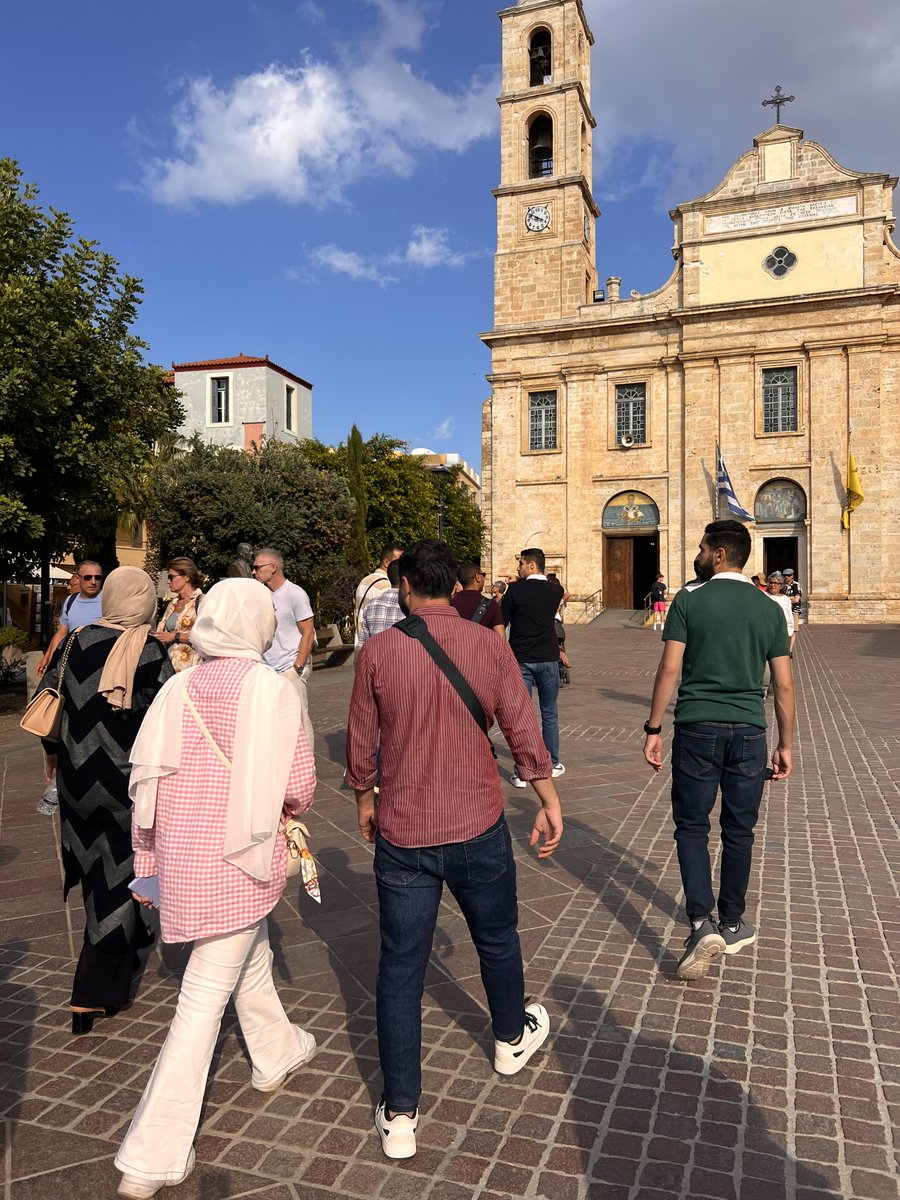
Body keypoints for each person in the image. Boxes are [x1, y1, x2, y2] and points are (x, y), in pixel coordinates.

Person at [345, 541, 563, 1161]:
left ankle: (402, 1111)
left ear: (408, 586)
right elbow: (523, 730)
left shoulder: (379, 652)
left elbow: (363, 741)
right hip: (476, 821)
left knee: (400, 967)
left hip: (405, 829)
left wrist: (365, 800)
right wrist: (547, 799)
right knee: (496, 938)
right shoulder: (489, 644)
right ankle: (509, 1038)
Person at [115, 579, 317, 1200]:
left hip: (181, 860)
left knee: (247, 955)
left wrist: (145, 865)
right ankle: (151, 1154)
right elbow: (299, 787)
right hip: (239, 860)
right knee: (201, 1001)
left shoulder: (177, 687)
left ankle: (276, 1048)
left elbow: (146, 784)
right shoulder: (272, 689)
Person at [642, 520, 795, 981]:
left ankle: (700, 920)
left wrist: (653, 727)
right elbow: (783, 686)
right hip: (750, 731)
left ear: (721, 555)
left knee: (691, 825)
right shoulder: (769, 608)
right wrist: (785, 744)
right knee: (739, 829)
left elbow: (669, 669)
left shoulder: (690, 599)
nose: (700, 554)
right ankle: (731, 921)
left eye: (704, 548)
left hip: (697, 727)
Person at [36, 567, 173, 1032]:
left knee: (98, 869)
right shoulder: (150, 650)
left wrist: (55, 761)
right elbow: (167, 723)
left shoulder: (74, 642)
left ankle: (132, 945)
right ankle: (91, 992)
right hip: (125, 784)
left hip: (76, 780)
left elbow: (47, 703)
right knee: (119, 874)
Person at [501, 548, 566, 785]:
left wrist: (515, 585)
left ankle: (523, 769)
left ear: (530, 565)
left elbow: (502, 619)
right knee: (549, 712)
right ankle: (553, 762)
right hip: (548, 657)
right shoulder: (555, 590)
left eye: (520, 564)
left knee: (522, 716)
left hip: (521, 658)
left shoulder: (515, 591)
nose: (517, 568)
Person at [252, 549, 316, 756]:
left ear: (273, 567)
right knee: (270, 721)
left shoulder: (295, 594)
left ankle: (307, 766)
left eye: (257, 567)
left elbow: (308, 631)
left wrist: (297, 667)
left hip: (289, 667)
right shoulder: (260, 594)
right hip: (266, 669)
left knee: (298, 719)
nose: (253, 572)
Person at [37, 560, 104, 675]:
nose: (93, 582)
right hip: (72, 666)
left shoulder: (109, 600)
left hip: (100, 667)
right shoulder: (70, 601)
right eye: (88, 577)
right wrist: (50, 660)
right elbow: (61, 633)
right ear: (79, 578)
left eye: (97, 577)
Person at [154, 558, 204, 671]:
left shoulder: (202, 602)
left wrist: (175, 637)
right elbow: (162, 633)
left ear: (186, 577)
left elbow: (206, 636)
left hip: (191, 670)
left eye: (171, 577)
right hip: (168, 669)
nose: (168, 581)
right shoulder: (172, 604)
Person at [355, 543, 404, 645]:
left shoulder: (364, 581)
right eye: (399, 561)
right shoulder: (387, 585)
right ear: (386, 562)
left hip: (361, 641)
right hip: (379, 646)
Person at [450, 562, 505, 636]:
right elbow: (501, 639)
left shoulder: (449, 604)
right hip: (483, 647)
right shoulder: (492, 606)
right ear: (478, 577)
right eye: (483, 575)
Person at [765, 571, 795, 656]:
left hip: (781, 633)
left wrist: (789, 632)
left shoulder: (785, 599)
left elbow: (789, 617)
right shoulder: (763, 596)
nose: (772, 585)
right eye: (770, 582)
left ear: (781, 585)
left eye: (775, 583)